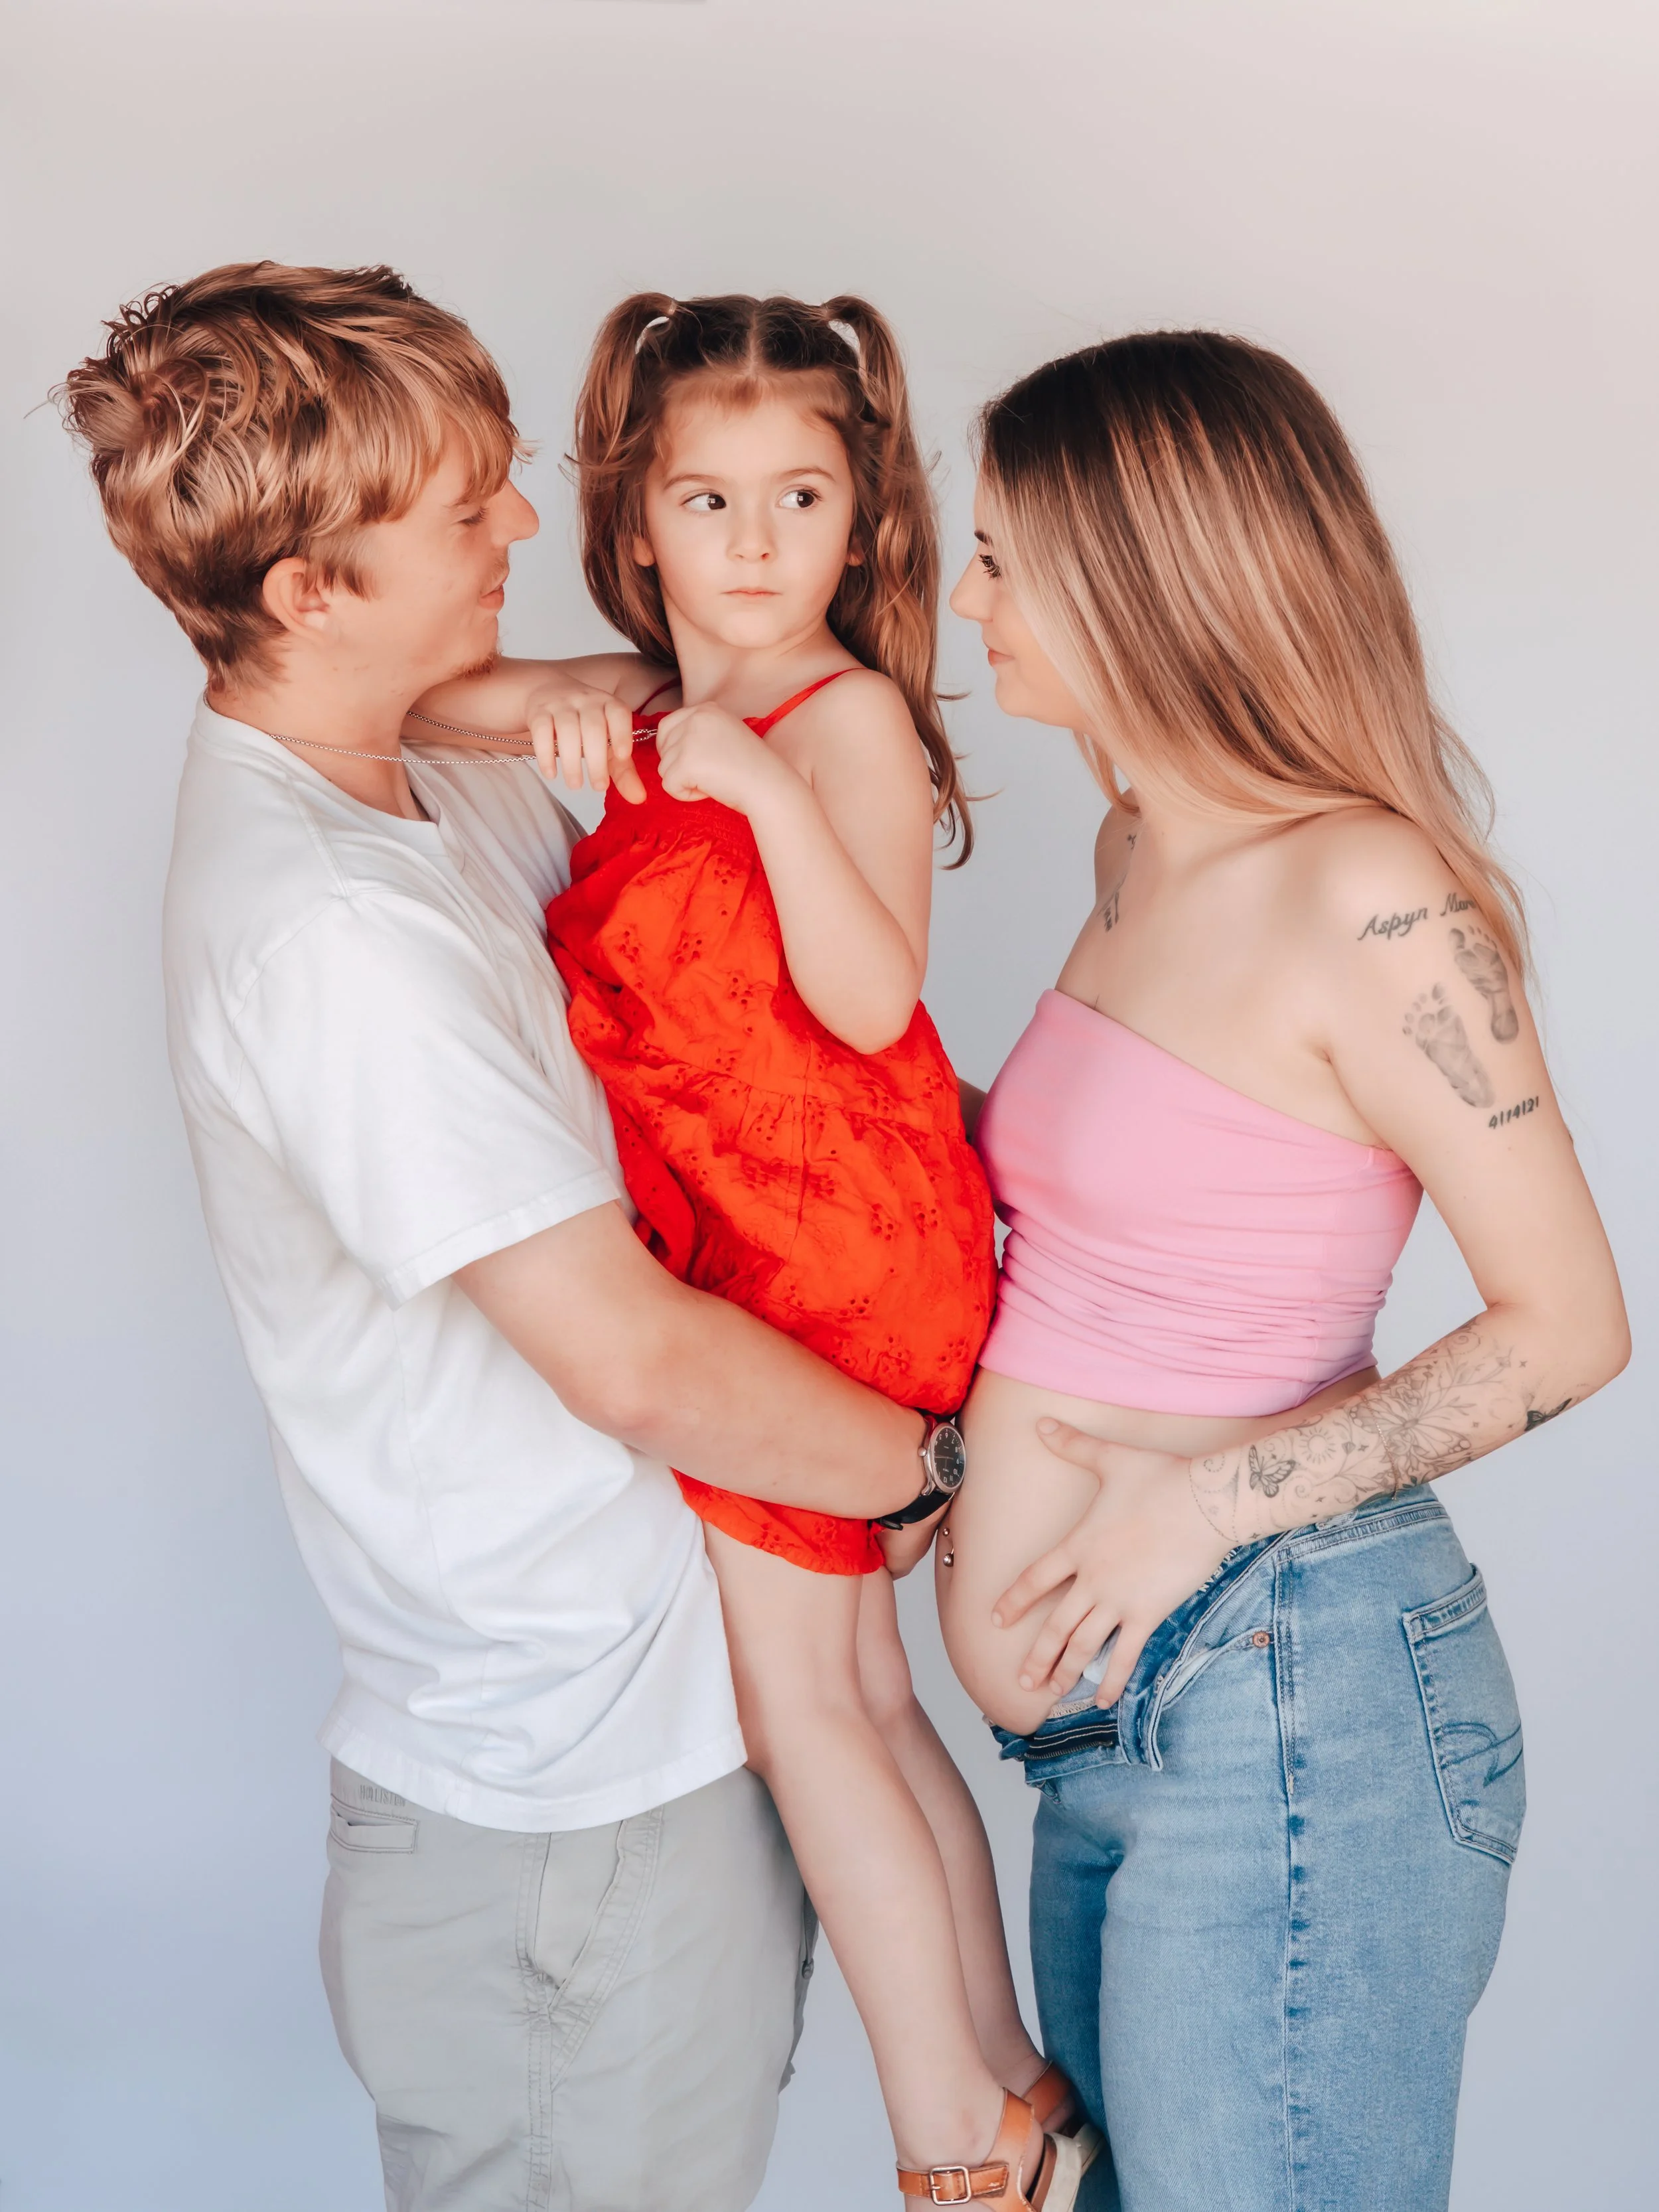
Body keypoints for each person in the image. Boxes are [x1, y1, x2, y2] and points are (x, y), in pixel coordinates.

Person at [56, 260, 956, 2212]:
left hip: (645, 1752)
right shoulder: (329, 934)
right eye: (469, 514)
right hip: (570, 1810)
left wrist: (607, 691)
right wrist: (943, 1472)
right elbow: (619, 1351)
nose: (529, 532)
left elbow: (666, 849)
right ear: (311, 591)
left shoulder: (407, 786)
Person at [413, 291, 1096, 2212]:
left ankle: (953, 2142)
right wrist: (570, 707)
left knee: (807, 1716)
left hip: (826, 1245)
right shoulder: (651, 710)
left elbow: (873, 993)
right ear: (634, 529)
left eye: (797, 497)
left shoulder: (843, 716)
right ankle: (1008, 2075)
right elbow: (409, 705)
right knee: (867, 1694)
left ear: (862, 522)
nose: (750, 546)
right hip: (755, 1235)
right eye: (702, 505)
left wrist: (760, 787)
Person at [936, 332, 1630, 2212]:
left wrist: (1197, 1505)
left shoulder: (1360, 891)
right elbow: (1141, 1201)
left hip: (1282, 1700)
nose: (961, 595)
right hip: (1109, 1727)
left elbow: (1568, 1327)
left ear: (1141, 568)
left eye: (1003, 552)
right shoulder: (1136, 843)